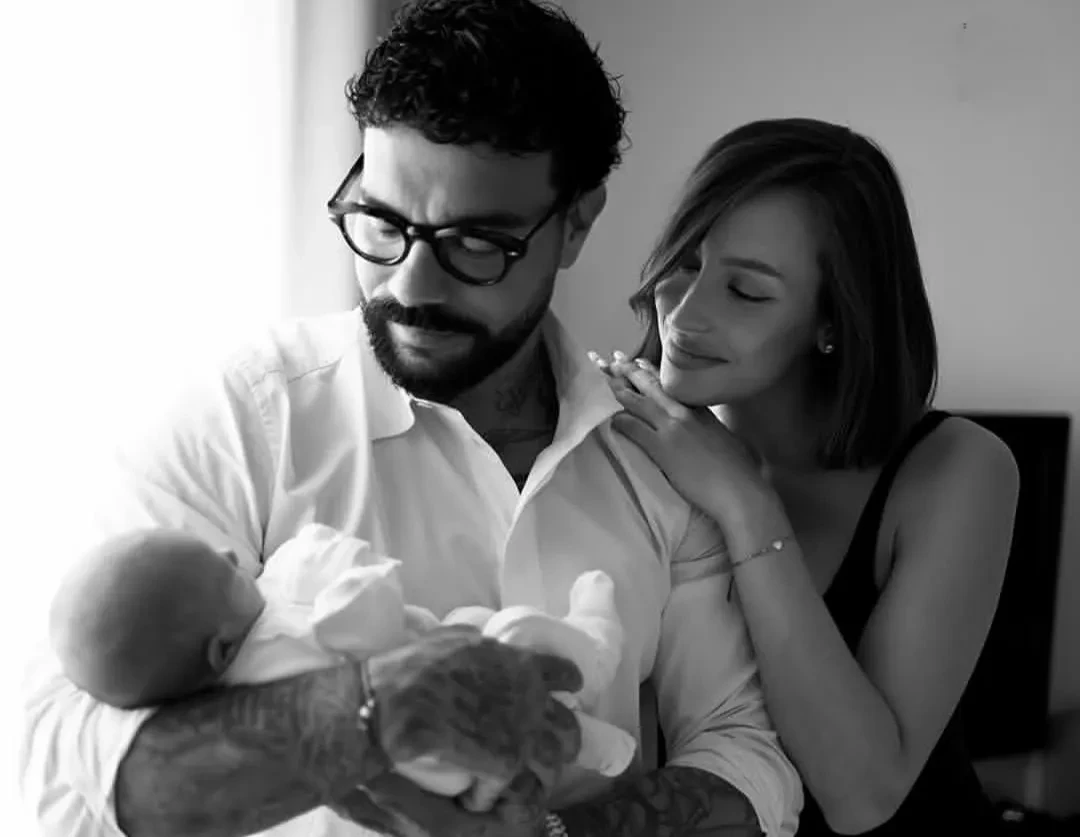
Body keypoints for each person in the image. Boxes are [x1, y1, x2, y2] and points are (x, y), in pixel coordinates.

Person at [19, 3, 801, 837]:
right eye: (384, 223)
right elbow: (69, 766)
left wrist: (557, 831)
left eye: (476, 243)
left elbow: (745, 756)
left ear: (577, 222)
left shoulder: (652, 460)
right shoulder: (246, 416)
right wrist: (370, 713)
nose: (411, 286)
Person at [593, 117, 1019, 835]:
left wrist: (744, 502)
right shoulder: (624, 445)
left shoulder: (957, 469)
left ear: (834, 321)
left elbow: (861, 797)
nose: (685, 315)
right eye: (686, 264)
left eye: (746, 291)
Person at [48, 523, 636, 827]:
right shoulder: (275, 653)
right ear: (220, 648)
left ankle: (592, 739)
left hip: (469, 781)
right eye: (222, 571)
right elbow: (367, 631)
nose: (231, 557)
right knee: (521, 638)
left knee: (478, 632)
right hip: (445, 763)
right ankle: (596, 648)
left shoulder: (233, 671)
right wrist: (355, 576)